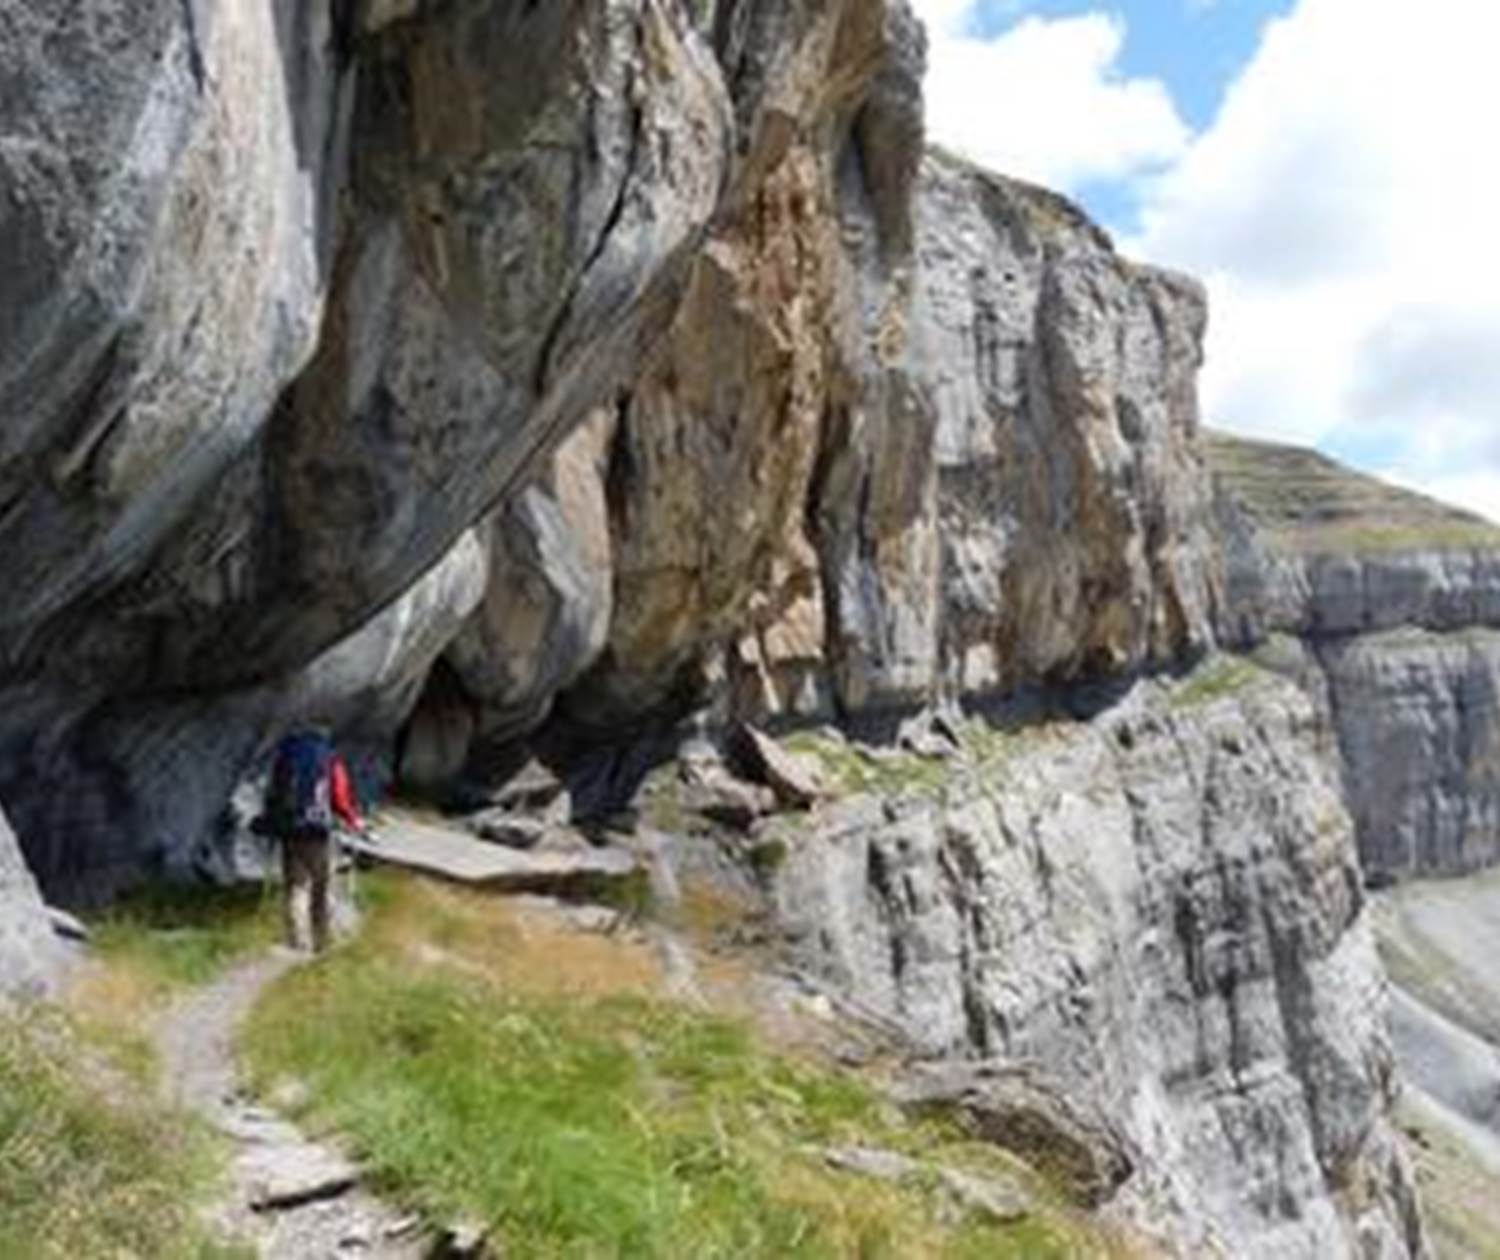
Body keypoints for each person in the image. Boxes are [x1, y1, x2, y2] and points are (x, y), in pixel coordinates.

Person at [259, 725, 367, 954]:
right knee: (321, 885)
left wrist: (271, 819)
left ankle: (296, 940)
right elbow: (339, 796)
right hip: (317, 831)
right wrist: (352, 820)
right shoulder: (329, 758)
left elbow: (273, 791)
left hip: (290, 828)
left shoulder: (288, 754)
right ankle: (321, 940)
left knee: (296, 886)